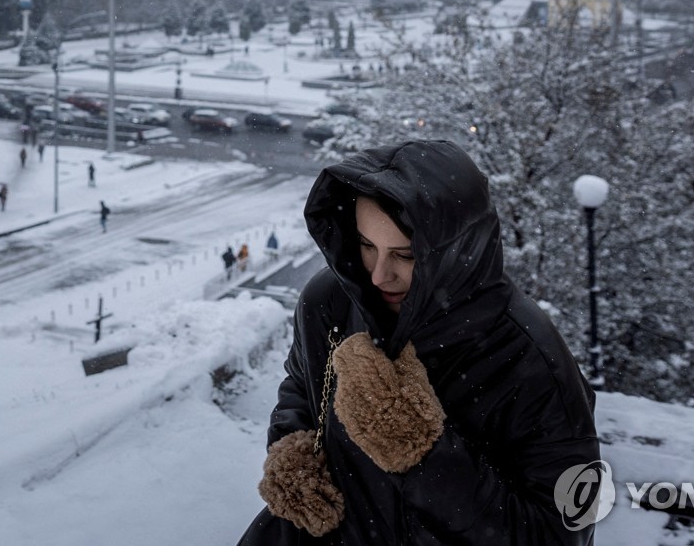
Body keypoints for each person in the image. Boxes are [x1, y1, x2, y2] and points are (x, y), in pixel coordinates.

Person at [238, 140, 600, 545]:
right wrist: (292, 449)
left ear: (459, 251)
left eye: (406, 255)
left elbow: (561, 533)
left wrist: (421, 451)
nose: (378, 275)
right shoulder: (331, 300)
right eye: (366, 245)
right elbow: (301, 385)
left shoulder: (529, 358)